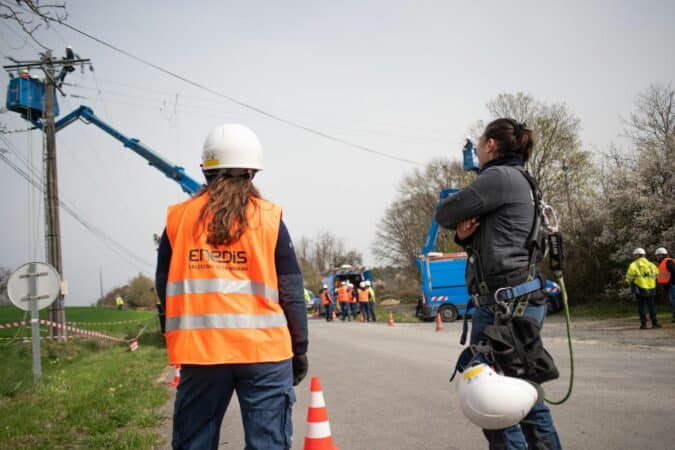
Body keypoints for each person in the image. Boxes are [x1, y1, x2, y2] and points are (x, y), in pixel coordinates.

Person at [155, 123, 308, 450]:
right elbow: (292, 291)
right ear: (253, 171)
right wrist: (300, 348)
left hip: (201, 353)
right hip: (264, 353)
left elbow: (163, 287)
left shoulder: (178, 218)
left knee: (194, 442)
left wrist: (172, 334)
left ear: (205, 170)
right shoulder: (269, 217)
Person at [436, 118, 562, 449]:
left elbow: (445, 212)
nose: (477, 149)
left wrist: (455, 223)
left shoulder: (498, 178)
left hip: (505, 306)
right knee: (520, 394)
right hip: (515, 299)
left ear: (491, 145)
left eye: (480, 143)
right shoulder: (520, 179)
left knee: (491, 398)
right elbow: (499, 236)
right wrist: (465, 237)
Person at [626, 247, 661, 329]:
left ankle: (643, 324)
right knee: (651, 306)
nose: (634, 257)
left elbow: (629, 277)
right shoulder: (651, 265)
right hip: (652, 288)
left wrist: (629, 282)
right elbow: (657, 274)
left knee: (641, 306)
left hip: (640, 288)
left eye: (635, 255)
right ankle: (655, 323)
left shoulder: (633, 265)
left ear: (637, 255)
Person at [655, 247, 675, 323]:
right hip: (669, 286)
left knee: (674, 301)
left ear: (661, 255)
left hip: (672, 285)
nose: (657, 257)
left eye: (657, 255)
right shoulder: (664, 262)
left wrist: (670, 282)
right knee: (672, 301)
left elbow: (673, 272)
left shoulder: (668, 261)